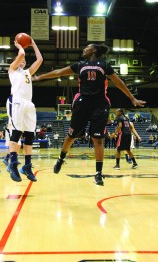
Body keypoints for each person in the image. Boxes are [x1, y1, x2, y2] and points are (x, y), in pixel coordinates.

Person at [33, 43, 146, 185]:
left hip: (100, 103)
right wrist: (40, 77)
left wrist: (132, 98)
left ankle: (98, 174)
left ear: (93, 50)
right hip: (82, 101)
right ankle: (61, 159)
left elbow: (118, 83)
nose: (84, 49)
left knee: (98, 139)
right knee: (71, 136)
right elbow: (58, 72)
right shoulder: (80, 65)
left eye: (87, 47)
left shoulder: (104, 65)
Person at [6, 36, 43, 182]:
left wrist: (33, 43)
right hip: (16, 102)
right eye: (20, 60)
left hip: (29, 104)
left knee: (29, 136)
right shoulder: (12, 70)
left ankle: (27, 166)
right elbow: (21, 54)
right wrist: (19, 46)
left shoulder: (27, 73)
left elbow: (40, 60)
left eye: (25, 61)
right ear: (15, 61)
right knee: (16, 134)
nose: (23, 60)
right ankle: (13, 164)